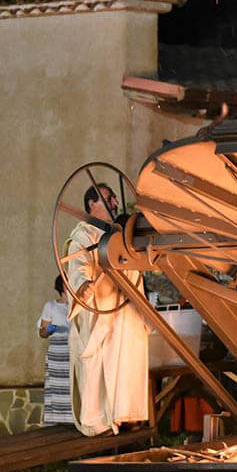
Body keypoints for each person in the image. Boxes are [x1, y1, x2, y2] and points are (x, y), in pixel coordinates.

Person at [64, 183, 150, 436]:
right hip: (100, 311)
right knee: (99, 365)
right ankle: (98, 421)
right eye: (108, 198)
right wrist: (82, 286)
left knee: (129, 360)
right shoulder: (83, 237)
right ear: (92, 204)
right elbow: (78, 265)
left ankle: (128, 415)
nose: (115, 203)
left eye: (114, 198)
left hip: (126, 308)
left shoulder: (121, 235)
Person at [37, 276, 74, 426]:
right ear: (62, 287)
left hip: (73, 350)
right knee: (57, 386)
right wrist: (49, 329)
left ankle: (74, 419)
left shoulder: (77, 305)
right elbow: (42, 333)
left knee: (73, 385)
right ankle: (57, 420)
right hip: (57, 352)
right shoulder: (51, 306)